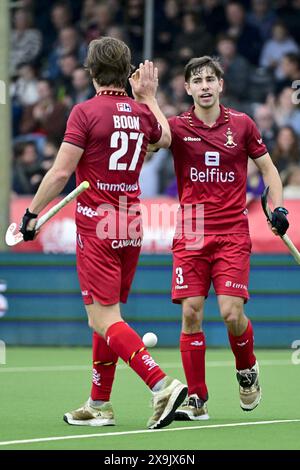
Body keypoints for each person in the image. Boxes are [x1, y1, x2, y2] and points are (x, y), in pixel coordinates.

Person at [19, 37, 187, 430]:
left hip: (98, 224)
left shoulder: (85, 112)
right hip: (130, 222)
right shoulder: (138, 111)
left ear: (90, 71)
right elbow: (164, 138)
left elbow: (61, 172)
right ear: (127, 74)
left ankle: (161, 385)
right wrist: (148, 97)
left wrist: (31, 212)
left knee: (102, 317)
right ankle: (99, 404)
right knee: (107, 314)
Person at [141, 55, 289, 420]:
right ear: (188, 88)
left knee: (230, 312)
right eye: (197, 80)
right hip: (191, 228)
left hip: (232, 230)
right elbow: (151, 143)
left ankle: (247, 367)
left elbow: (269, 170)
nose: (205, 86)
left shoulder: (242, 125)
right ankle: (197, 399)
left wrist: (279, 208)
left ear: (220, 85)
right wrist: (148, 100)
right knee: (191, 313)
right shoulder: (175, 126)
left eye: (211, 79)